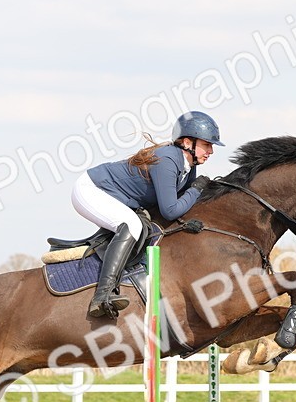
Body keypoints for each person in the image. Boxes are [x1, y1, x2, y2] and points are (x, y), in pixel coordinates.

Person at [72, 111, 224, 318]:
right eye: (207, 145)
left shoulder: (188, 165)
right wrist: (196, 189)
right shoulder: (169, 160)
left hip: (117, 196)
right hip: (91, 190)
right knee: (132, 226)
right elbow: (170, 210)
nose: (211, 151)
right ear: (188, 142)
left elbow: (183, 203)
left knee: (141, 224)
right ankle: (102, 295)